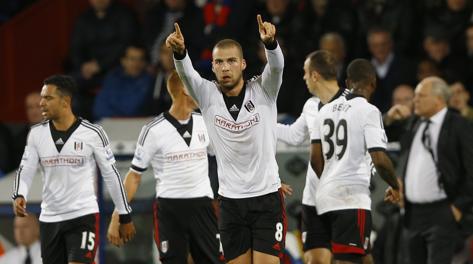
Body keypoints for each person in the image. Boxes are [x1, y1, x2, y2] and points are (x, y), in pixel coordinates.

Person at [166, 15, 286, 263]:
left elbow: (276, 67)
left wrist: (271, 45)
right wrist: (180, 53)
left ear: (243, 64)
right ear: (212, 66)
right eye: (219, 62)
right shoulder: (207, 95)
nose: (225, 67)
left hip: (266, 199)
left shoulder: (264, 90)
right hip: (231, 203)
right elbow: (187, 75)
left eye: (231, 61)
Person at [11, 74, 136, 264]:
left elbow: (111, 175)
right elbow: (26, 169)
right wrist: (20, 194)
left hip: (82, 216)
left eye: (48, 98)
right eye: (42, 98)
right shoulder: (36, 134)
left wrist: (124, 215)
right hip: (50, 219)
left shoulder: (93, 133)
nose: (41, 103)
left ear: (65, 101)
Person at [107, 71, 223, 263]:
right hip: (170, 208)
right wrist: (116, 215)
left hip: (203, 206)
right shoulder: (153, 130)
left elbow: (224, 158)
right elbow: (134, 175)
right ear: (186, 90)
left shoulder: (206, 123)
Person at [310, 59, 401, 264]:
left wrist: (330, 180)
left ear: (348, 81)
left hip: (325, 197)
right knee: (346, 260)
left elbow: (315, 160)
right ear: (373, 83)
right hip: (351, 200)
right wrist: (395, 185)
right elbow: (379, 158)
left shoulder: (324, 110)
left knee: (365, 257)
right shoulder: (369, 110)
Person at [277, 50, 349, 264]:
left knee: (348, 260)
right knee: (315, 260)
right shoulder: (310, 105)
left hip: (344, 197)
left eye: (306, 73)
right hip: (314, 198)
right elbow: (294, 135)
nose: (304, 78)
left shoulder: (353, 104)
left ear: (315, 75)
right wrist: (260, 125)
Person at [392, 76, 473, 264]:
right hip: (413, 214)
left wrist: (458, 207)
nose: (415, 100)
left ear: (438, 99)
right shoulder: (415, 123)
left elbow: (471, 171)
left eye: (421, 96)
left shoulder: (459, 125)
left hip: (442, 212)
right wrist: (389, 118)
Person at [93, 44, 154, 120]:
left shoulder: (148, 80)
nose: (136, 64)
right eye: (132, 59)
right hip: (109, 123)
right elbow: (99, 109)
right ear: (123, 61)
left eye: (140, 59)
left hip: (135, 124)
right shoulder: (112, 77)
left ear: (145, 63)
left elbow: (131, 110)